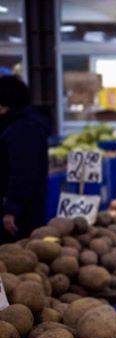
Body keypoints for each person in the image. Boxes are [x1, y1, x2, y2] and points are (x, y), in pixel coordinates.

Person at [0, 75, 50, 243]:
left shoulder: (21, 130)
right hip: (26, 208)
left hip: (20, 214)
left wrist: (11, 210)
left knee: (19, 256)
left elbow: (22, 172)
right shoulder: (24, 124)